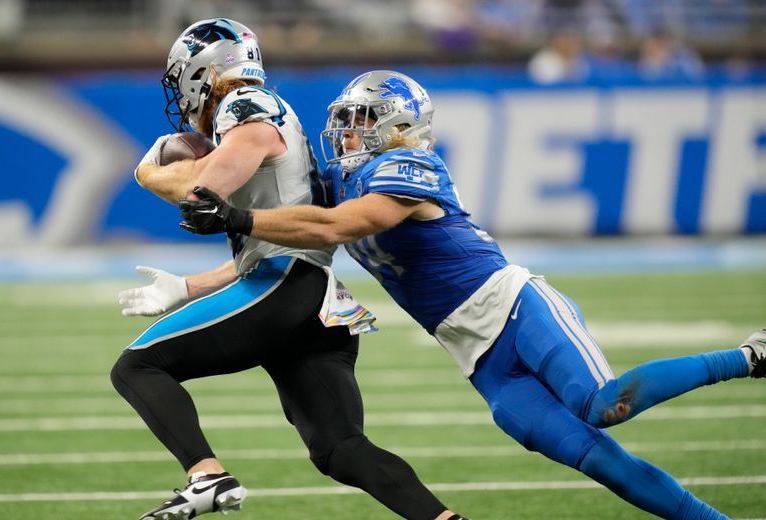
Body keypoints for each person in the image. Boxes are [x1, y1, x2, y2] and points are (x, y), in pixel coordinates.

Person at [179, 69, 766, 519]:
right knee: (598, 461)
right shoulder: (336, 180)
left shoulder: (409, 164)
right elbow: (300, 241)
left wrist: (237, 217)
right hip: (479, 360)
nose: (346, 131)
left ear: (396, 125)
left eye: (360, 119)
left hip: (514, 308)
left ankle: (748, 357)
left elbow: (339, 227)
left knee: (600, 405)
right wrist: (191, 282)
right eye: (346, 119)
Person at [112, 22, 466, 520]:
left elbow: (201, 197)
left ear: (206, 70)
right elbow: (264, 235)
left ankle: (206, 475)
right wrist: (191, 286)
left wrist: (147, 171)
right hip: (313, 299)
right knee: (340, 450)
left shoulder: (246, 105)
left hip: (283, 288)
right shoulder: (271, 112)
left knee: (138, 367)